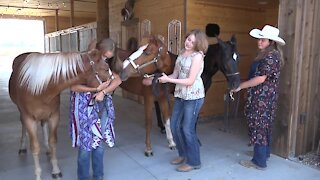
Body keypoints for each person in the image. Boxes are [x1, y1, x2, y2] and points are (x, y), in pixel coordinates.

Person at [231, 25, 285, 170]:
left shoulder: (270, 56)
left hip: (263, 98)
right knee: (264, 126)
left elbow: (261, 79)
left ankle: (258, 161)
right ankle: (263, 153)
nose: (259, 42)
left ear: (271, 42)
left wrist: (241, 86)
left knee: (259, 127)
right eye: (259, 39)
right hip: (264, 97)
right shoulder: (268, 54)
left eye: (263, 40)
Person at [69, 38, 122, 180]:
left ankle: (99, 175)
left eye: (108, 58)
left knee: (99, 143)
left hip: (102, 106)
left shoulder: (106, 64)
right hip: (83, 107)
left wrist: (103, 92)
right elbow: (73, 86)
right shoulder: (83, 63)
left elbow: (116, 79)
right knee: (85, 145)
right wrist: (95, 89)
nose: (105, 60)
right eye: (104, 56)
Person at [156, 29, 208, 172]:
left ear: (198, 43)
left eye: (192, 41)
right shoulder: (181, 54)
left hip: (194, 96)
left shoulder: (197, 57)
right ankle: (183, 153)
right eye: (187, 39)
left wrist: (168, 79)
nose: (188, 42)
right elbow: (175, 74)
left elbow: (190, 80)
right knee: (174, 126)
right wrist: (163, 77)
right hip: (181, 95)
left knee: (187, 129)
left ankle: (194, 161)